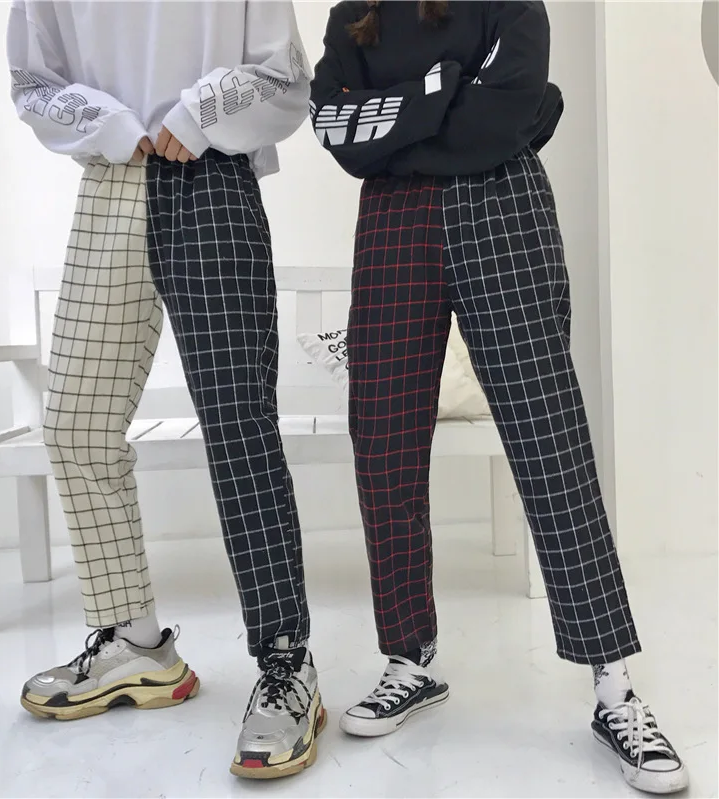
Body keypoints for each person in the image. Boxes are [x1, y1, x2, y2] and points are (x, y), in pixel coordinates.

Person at [309, 1, 688, 793]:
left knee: (550, 441)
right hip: (391, 226)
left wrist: (399, 124)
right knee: (382, 440)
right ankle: (409, 657)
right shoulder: (353, 17)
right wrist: (445, 86)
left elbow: (507, 112)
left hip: (503, 207)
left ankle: (614, 686)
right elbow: (338, 131)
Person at [8, 0, 325, 779]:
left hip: (210, 173)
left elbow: (286, 74)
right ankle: (134, 642)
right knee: (76, 422)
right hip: (110, 177)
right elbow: (32, 80)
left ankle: (287, 660)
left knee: (238, 427)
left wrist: (197, 111)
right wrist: (110, 122)